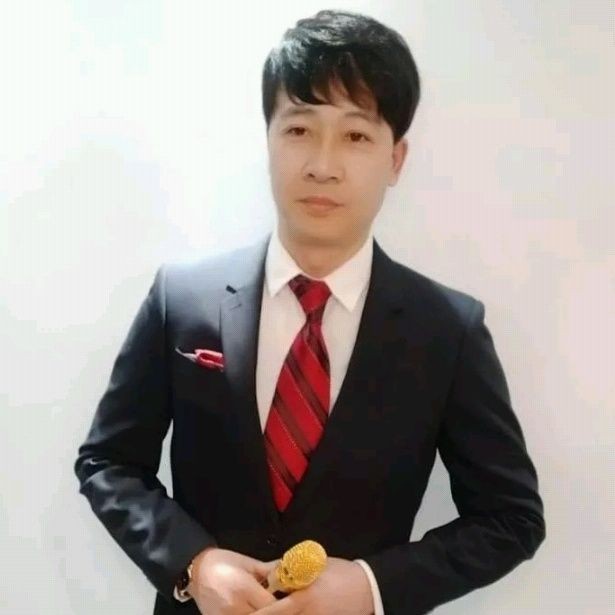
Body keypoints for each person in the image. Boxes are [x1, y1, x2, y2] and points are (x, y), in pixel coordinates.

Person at [74, 9, 545, 615]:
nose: (323, 165)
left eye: (356, 136)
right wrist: (194, 562)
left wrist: (371, 586)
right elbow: (108, 462)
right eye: (299, 129)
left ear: (396, 159)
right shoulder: (182, 298)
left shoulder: (447, 330)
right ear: (268, 139)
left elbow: (510, 518)